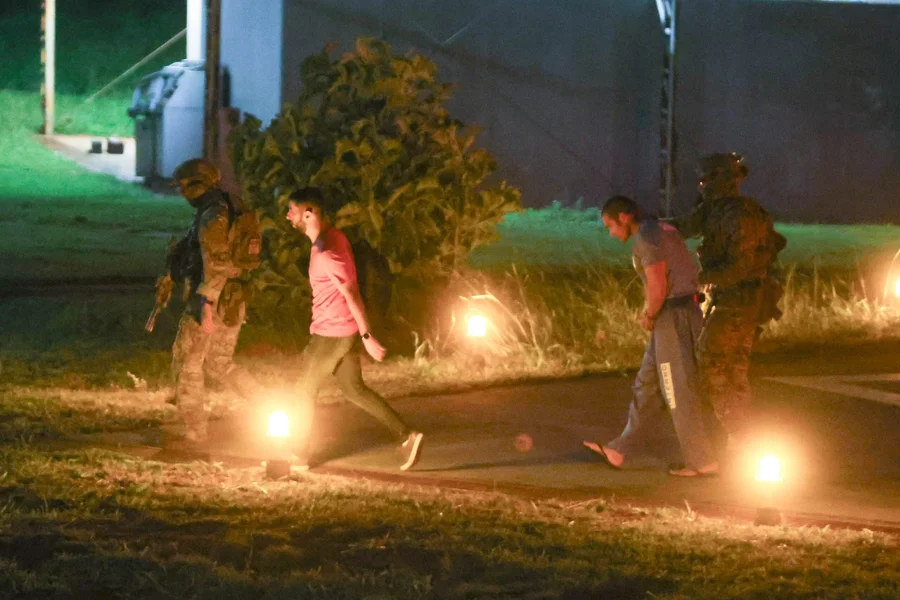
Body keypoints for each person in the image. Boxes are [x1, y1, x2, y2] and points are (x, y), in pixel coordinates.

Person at [285, 187, 423, 471]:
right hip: (341, 331)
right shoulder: (332, 238)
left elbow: (351, 293)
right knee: (353, 389)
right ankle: (407, 436)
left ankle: (297, 456)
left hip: (331, 333)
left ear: (308, 213)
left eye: (292, 210)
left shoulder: (327, 251)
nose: (288, 216)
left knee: (303, 390)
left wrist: (367, 335)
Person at [584, 196, 718, 477]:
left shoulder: (646, 237)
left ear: (624, 217)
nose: (611, 233)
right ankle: (620, 450)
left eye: (610, 225)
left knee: (677, 389)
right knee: (647, 384)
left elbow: (658, 284)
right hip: (685, 311)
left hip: (672, 316)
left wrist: (650, 314)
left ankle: (702, 461)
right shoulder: (663, 228)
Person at [669, 153, 786, 454]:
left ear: (723, 179)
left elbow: (741, 268)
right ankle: (738, 436)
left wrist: (702, 277)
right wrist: (646, 227)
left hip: (741, 300)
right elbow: (684, 226)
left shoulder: (741, 215)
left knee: (714, 362)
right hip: (728, 299)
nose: (702, 185)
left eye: (707, 178)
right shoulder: (713, 209)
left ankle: (739, 435)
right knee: (732, 369)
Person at [167, 158, 261, 455]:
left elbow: (217, 264)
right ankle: (267, 406)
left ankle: (194, 434)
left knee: (187, 362)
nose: (183, 194)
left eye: (185, 188)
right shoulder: (232, 207)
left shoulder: (212, 216)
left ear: (199, 185)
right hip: (234, 298)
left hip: (211, 299)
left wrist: (206, 304)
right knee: (219, 363)